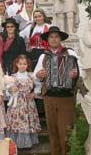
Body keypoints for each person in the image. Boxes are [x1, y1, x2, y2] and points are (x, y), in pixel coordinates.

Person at [34, 26, 79, 155]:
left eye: (56, 37)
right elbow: (35, 77)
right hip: (49, 97)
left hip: (66, 98)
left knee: (66, 131)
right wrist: (38, 75)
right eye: (51, 37)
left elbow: (80, 72)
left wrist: (75, 74)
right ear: (47, 40)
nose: (53, 39)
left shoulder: (71, 53)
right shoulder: (43, 56)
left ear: (60, 39)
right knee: (52, 131)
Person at [5, 54, 41, 149]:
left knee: (27, 121)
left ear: (27, 65)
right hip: (16, 103)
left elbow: (39, 85)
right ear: (16, 64)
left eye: (24, 64)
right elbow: (7, 90)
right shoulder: (13, 77)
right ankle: (16, 142)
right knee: (17, 122)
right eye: (20, 63)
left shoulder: (31, 75)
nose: (22, 66)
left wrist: (34, 93)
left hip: (28, 103)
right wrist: (10, 90)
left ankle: (27, 143)